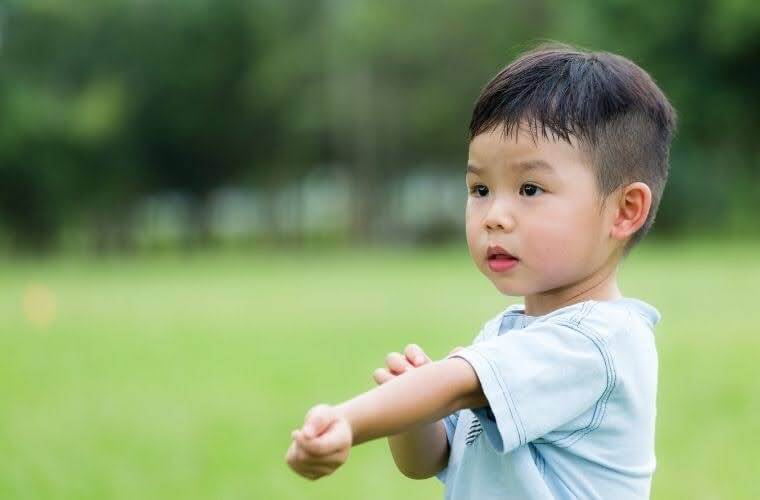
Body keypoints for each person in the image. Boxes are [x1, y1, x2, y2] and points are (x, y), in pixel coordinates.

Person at [284, 41, 677, 499]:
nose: (494, 215)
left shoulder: (599, 343)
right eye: (480, 188)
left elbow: (454, 386)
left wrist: (348, 420)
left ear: (624, 210)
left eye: (530, 189)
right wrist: (415, 412)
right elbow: (432, 460)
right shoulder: (509, 332)